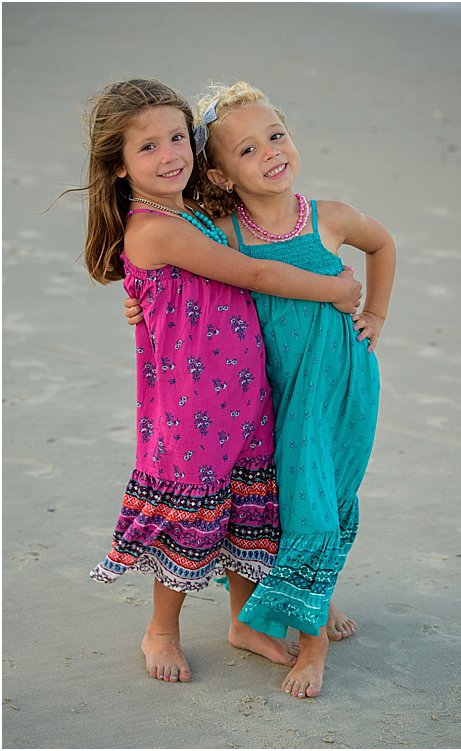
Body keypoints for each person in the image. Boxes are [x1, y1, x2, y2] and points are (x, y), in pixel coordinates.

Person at [81, 79, 362, 684]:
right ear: (121, 167)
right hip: (190, 403)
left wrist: (141, 302)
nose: (170, 155)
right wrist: (336, 290)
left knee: (246, 511)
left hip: (243, 393)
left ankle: (243, 620)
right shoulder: (157, 226)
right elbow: (255, 272)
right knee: (189, 508)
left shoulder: (194, 213)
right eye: (149, 147)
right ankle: (161, 631)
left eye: (178, 138)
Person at [190, 81, 396, 698]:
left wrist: (378, 315)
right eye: (247, 150)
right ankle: (313, 643)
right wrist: (138, 311)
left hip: (343, 384)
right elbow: (183, 284)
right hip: (270, 391)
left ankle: (315, 606)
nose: (270, 154)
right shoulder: (224, 232)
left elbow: (383, 243)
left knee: (326, 498)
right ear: (223, 175)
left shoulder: (328, 218)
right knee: (282, 502)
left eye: (275, 136)